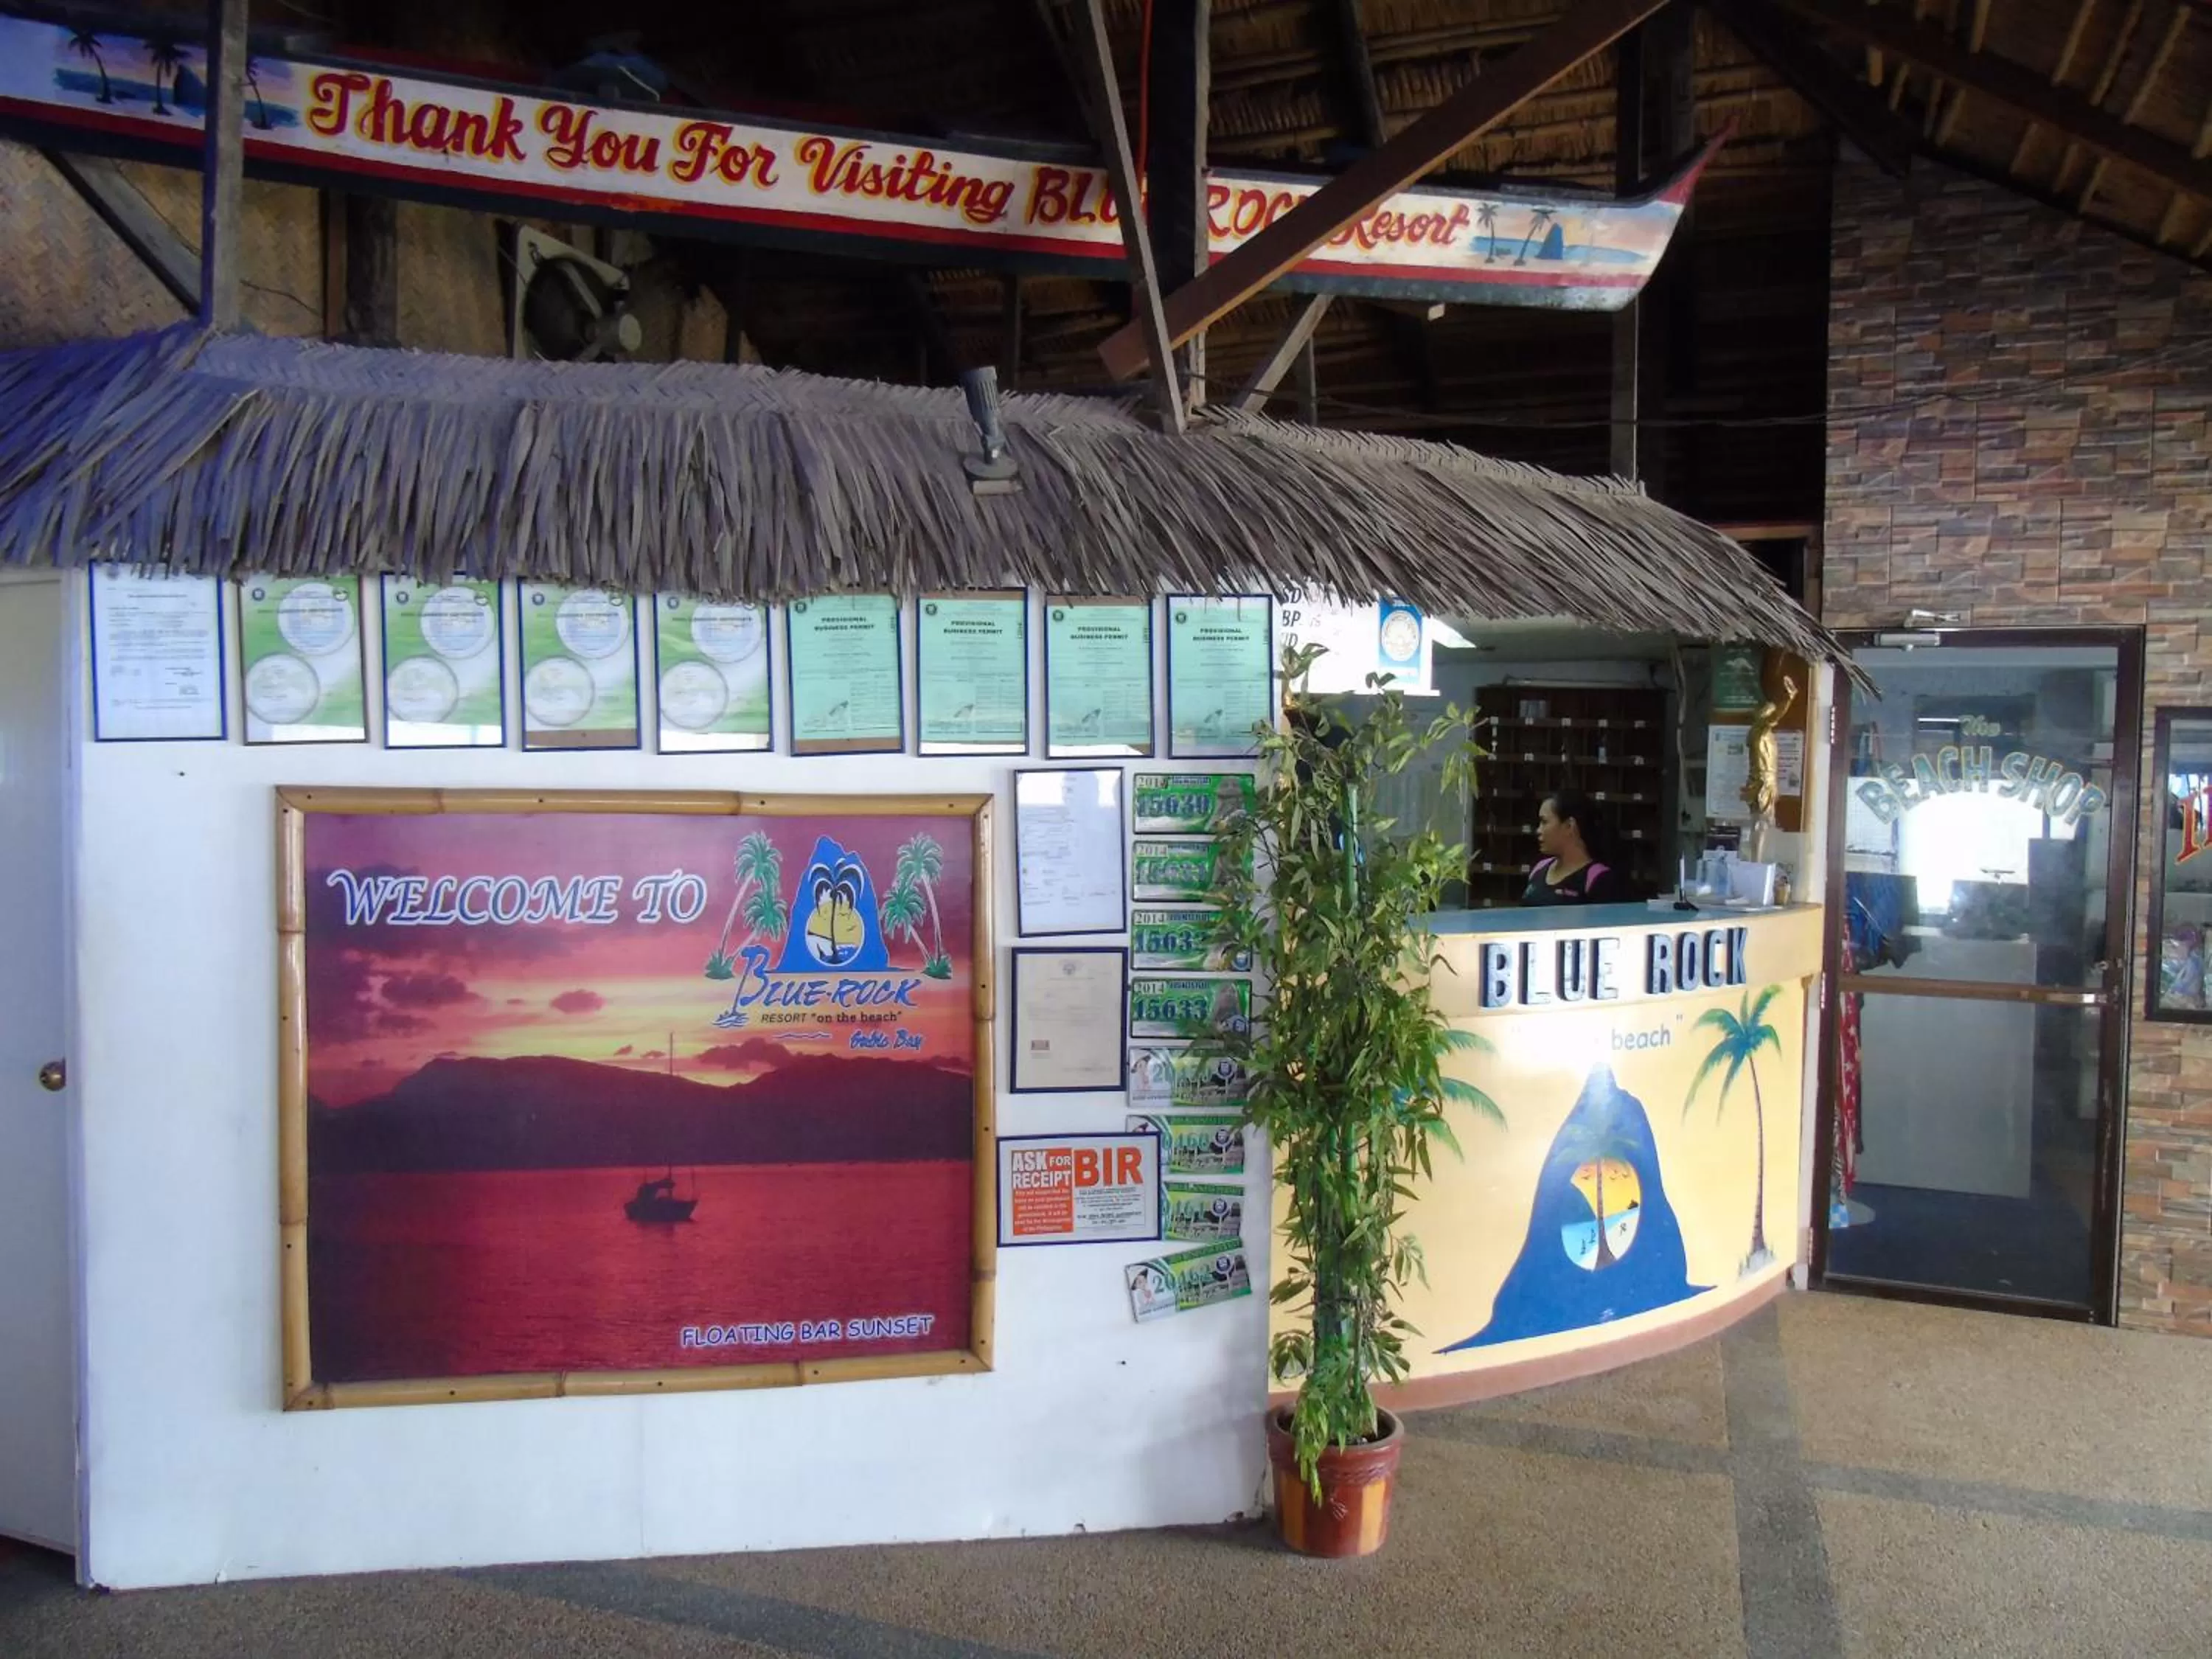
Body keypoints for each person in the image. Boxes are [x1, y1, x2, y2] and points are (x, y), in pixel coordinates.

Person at [1523, 790, 1629, 905]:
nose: (1539, 830)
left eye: (1544, 822)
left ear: (1569, 825)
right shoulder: (1539, 868)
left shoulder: (1599, 879)